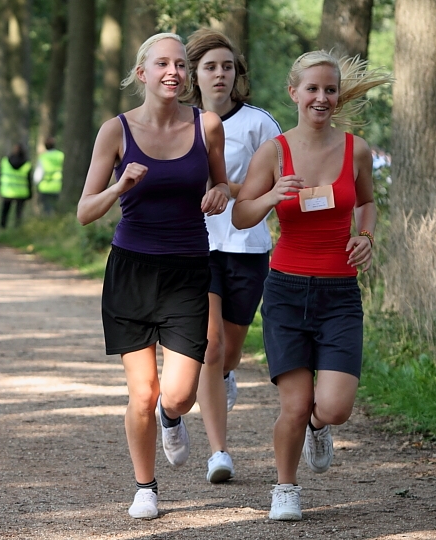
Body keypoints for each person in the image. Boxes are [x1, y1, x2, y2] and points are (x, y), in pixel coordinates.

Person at [232, 51, 392, 521]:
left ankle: (321, 427)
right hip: (285, 288)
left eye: (329, 89)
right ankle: (285, 487)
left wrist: (364, 236)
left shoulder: (355, 149)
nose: (321, 97)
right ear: (294, 93)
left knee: (334, 407)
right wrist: (269, 196)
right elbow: (240, 215)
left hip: (339, 292)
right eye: (313, 89)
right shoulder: (274, 152)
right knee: (295, 404)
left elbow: (366, 203)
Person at [76, 33, 230, 520]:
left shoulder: (206, 126)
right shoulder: (115, 131)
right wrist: (120, 184)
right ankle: (146, 486)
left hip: (188, 270)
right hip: (132, 271)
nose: (173, 71)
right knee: (142, 391)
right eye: (162, 63)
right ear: (142, 73)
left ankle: (170, 417)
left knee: (179, 395)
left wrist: (222, 192)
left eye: (181, 64)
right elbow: (85, 210)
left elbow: (222, 182)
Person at [183, 28, 282, 485]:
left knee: (231, 353)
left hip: (247, 247)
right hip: (194, 245)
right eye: (210, 67)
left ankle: (221, 381)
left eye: (227, 66)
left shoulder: (259, 123)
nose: (220, 74)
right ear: (194, 75)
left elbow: (281, 186)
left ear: (236, 73)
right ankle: (218, 453)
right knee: (212, 345)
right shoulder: (177, 122)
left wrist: (227, 187)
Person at [0, 143, 32, 228]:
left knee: (5, 210)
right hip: (21, 192)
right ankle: (17, 227)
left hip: (7, 191)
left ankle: (2, 226)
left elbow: (1, 175)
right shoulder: (27, 163)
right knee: (19, 212)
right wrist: (30, 193)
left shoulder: (5, 161)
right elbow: (29, 180)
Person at [33, 137, 64, 215]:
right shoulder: (60, 155)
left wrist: (36, 183)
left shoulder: (43, 157)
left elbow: (39, 173)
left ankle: (48, 222)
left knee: (47, 209)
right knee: (55, 207)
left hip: (45, 187)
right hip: (57, 186)